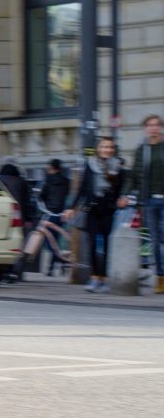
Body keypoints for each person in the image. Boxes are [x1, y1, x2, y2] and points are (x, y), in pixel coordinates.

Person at [66, 137, 125, 294]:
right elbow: (83, 190)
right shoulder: (90, 165)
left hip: (109, 211)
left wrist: (122, 198)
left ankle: (104, 279)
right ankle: (94, 278)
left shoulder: (119, 166)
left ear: (113, 149)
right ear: (98, 149)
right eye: (103, 147)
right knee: (92, 244)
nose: (107, 149)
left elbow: (122, 190)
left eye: (109, 147)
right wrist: (72, 207)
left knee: (105, 246)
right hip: (92, 210)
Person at [118, 114, 164, 294]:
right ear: (145, 128)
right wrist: (125, 195)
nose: (153, 128)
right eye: (149, 125)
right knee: (155, 240)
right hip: (150, 201)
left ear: (160, 127)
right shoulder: (141, 150)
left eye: (156, 125)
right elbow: (133, 177)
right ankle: (160, 277)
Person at [0, 162, 36, 282]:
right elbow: (28, 202)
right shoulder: (21, 182)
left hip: (2, 217)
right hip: (20, 218)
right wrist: (29, 219)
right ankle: (16, 273)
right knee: (19, 247)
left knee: (3, 245)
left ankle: (4, 272)